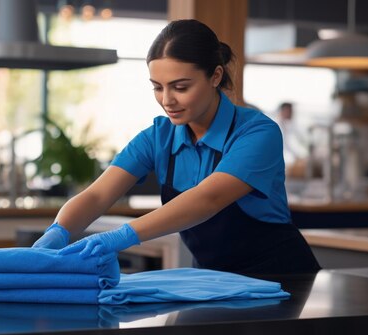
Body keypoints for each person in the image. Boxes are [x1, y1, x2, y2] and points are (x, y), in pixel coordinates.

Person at [33, 19, 320, 275]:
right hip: (212, 282)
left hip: (280, 280)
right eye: (157, 87)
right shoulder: (159, 137)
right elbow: (97, 195)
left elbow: (208, 199)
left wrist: (120, 236)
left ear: (215, 77)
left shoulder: (257, 133)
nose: (167, 99)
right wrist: (58, 231)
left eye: (180, 87)